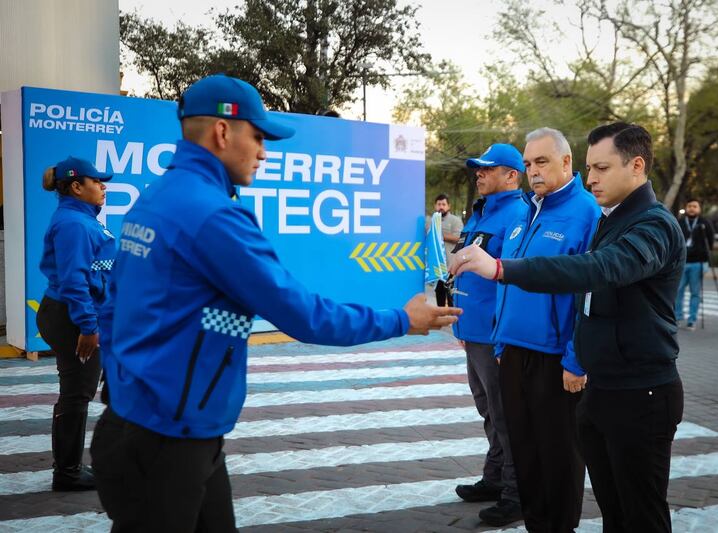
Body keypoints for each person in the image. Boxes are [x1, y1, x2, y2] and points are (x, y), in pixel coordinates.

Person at [90, 74, 461, 532]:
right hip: (169, 434)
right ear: (223, 132)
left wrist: (127, 382)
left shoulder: (155, 198)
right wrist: (402, 319)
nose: (264, 152)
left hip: (147, 419)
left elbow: (114, 304)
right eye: (259, 136)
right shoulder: (214, 216)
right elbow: (304, 314)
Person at [451, 122, 685, 533]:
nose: (591, 178)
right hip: (604, 389)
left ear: (636, 166)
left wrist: (502, 269)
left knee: (639, 514)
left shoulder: (652, 224)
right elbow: (589, 299)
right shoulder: (608, 219)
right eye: (590, 167)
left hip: (640, 391)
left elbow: (599, 270)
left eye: (602, 168)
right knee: (613, 510)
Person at [485, 129, 599, 531]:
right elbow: (508, 280)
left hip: (556, 360)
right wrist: (499, 340)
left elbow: (590, 292)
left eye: (542, 162)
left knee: (559, 460)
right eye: (528, 163)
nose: (532, 170)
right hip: (513, 353)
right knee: (526, 455)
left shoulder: (587, 212)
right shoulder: (524, 211)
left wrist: (575, 358)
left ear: (567, 162)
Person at [451, 143, 527, 526]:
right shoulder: (483, 212)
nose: (479, 174)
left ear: (511, 175)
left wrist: (500, 337)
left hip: (496, 335)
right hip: (472, 330)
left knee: (505, 414)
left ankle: (516, 494)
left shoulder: (518, 214)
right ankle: (495, 477)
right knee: (488, 411)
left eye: (487, 169)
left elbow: (510, 280)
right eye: (477, 169)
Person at [36, 157, 116, 491]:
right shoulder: (74, 224)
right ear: (75, 186)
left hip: (74, 314)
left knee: (77, 392)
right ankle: (67, 472)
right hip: (72, 317)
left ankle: (70, 467)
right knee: (76, 394)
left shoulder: (82, 220)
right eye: (96, 181)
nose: (103, 186)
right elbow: (73, 282)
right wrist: (88, 327)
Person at [674, 198, 715, 330]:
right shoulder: (680, 222)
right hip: (682, 262)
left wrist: (706, 260)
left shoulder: (704, 223)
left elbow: (711, 241)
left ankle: (692, 319)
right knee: (677, 291)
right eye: (690, 206)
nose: (692, 208)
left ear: (699, 208)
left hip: (698, 262)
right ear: (686, 207)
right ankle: (677, 317)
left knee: (695, 293)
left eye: (695, 206)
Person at [432, 193, 464, 306]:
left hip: (451, 264)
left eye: (443, 204)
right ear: (435, 206)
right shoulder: (432, 221)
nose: (441, 206)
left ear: (448, 206)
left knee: (451, 294)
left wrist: (438, 234)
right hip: (438, 265)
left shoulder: (455, 220)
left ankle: (453, 320)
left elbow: (459, 238)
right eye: (439, 204)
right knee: (439, 291)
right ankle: (440, 318)